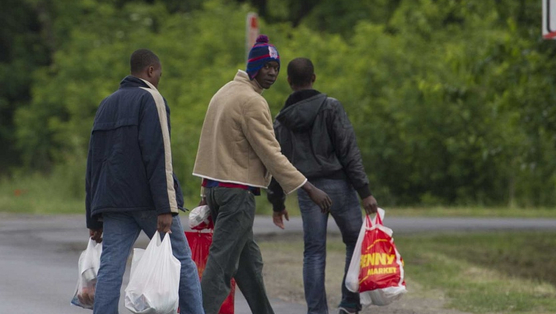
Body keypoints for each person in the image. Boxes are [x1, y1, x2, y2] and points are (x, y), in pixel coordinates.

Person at [192, 35, 333, 314]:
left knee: (248, 265)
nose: (272, 73)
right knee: (220, 268)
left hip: (218, 190)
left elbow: (209, 145)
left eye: (276, 68)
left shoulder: (224, 92)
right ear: (253, 66)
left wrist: (205, 193)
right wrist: (307, 187)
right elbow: (271, 152)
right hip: (237, 195)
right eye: (267, 66)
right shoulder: (252, 101)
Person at [84, 49, 204, 314]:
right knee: (182, 261)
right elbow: (158, 154)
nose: (159, 78)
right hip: (149, 202)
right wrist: (166, 207)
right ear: (151, 71)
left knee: (110, 269)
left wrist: (93, 218)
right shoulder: (151, 98)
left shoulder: (107, 104)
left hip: (113, 203)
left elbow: (93, 163)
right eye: (159, 73)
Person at [268, 57, 378, 314]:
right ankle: (349, 303)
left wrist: (277, 202)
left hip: (308, 191)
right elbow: (349, 151)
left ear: (289, 82)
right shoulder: (331, 107)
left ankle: (316, 311)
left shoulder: (282, 120)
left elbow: (276, 163)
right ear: (314, 78)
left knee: (314, 252)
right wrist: (365, 192)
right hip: (339, 185)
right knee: (355, 240)